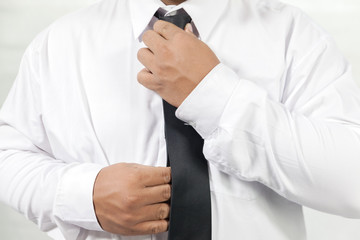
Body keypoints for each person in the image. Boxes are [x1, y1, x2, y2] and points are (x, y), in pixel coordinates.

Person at [1, 0, 360, 239]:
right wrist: (84, 194)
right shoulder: (60, 43)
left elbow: (352, 181)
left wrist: (212, 94)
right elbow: (9, 156)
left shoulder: (293, 35)